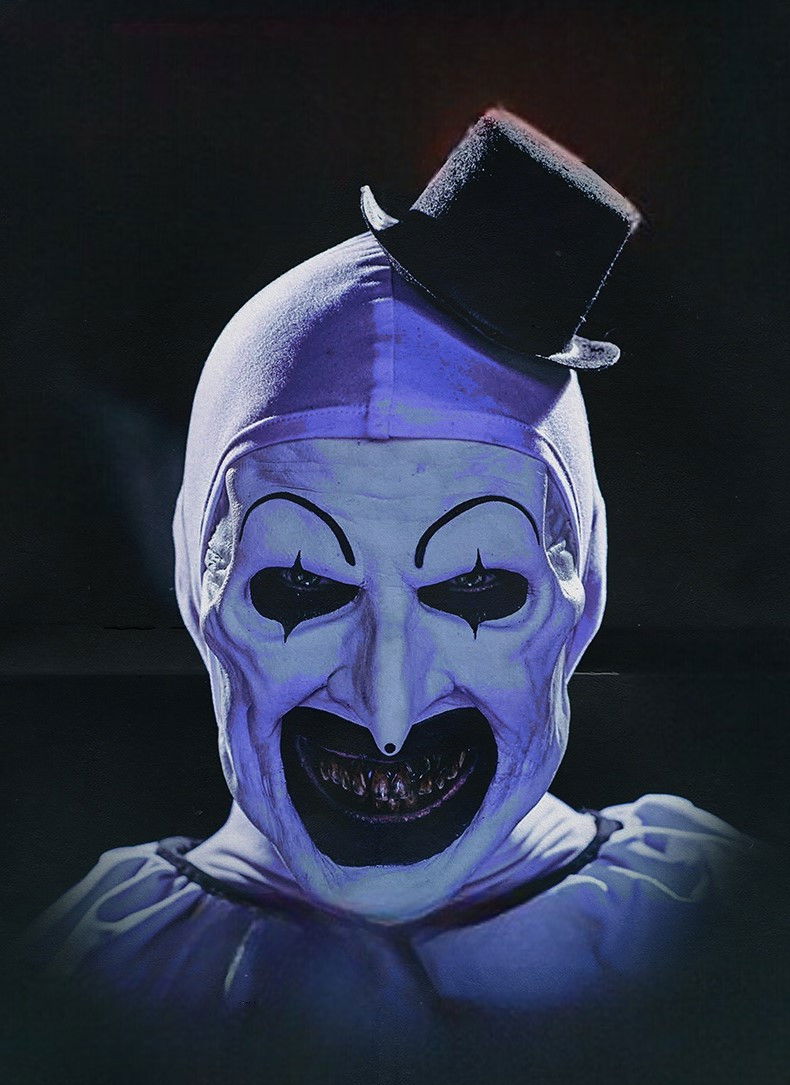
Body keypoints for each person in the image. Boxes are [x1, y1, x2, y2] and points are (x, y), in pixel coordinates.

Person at [29, 109, 758, 1029]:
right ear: (198, 582)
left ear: (582, 594)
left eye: (475, 587)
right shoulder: (90, 982)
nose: (388, 708)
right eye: (300, 586)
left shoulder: (730, 932)